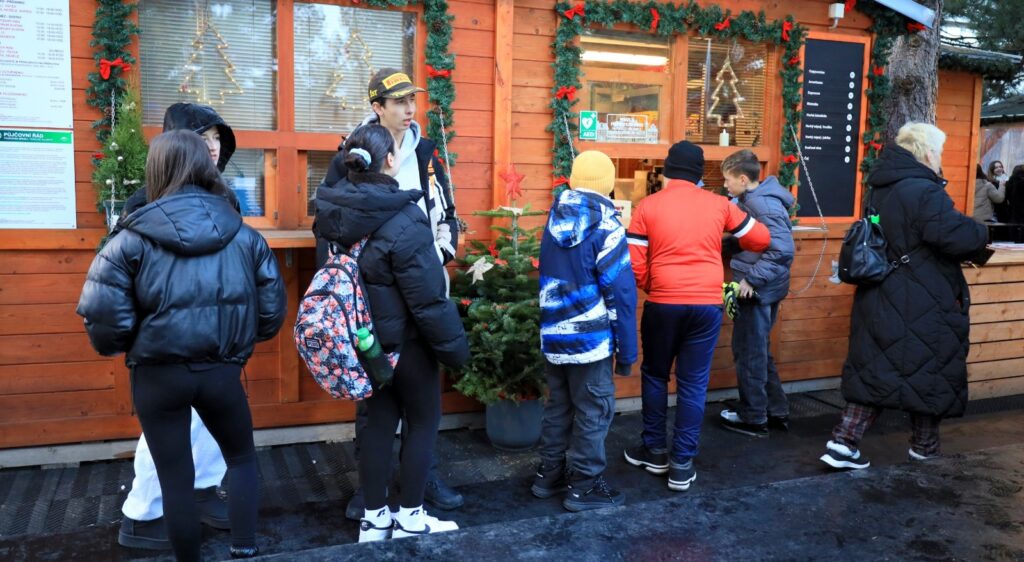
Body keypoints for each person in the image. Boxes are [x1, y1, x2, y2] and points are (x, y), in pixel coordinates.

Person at [77, 130, 287, 560]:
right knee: (242, 459)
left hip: (157, 375)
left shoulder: (128, 240)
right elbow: (271, 313)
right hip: (222, 371)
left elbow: (104, 322)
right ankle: (244, 550)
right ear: (206, 167)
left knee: (175, 477)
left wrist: (135, 344)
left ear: (157, 170)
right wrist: (234, 345)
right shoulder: (245, 235)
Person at [314, 68, 464, 518]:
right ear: (377, 107)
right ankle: (371, 492)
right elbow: (329, 224)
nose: (409, 109)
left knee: (421, 405)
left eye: (412, 100)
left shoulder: (428, 153)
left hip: (421, 287)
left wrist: (439, 254)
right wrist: (340, 283)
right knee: (375, 407)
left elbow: (446, 212)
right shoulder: (352, 153)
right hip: (371, 302)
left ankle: (423, 479)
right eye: (399, 102)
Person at [820, 122, 988, 470]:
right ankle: (923, 449)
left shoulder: (881, 189)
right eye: (939, 151)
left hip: (881, 292)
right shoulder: (924, 191)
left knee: (878, 369)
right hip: (921, 299)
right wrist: (982, 231)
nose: (940, 158)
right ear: (927, 153)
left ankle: (843, 443)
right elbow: (956, 235)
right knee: (929, 369)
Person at [114, 103, 241, 551]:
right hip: (163, 345)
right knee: (166, 434)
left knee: (207, 425)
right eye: (202, 137)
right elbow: (116, 276)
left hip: (216, 338)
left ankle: (203, 489)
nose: (213, 146)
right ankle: (142, 514)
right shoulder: (143, 202)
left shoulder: (225, 197)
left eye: (217, 137)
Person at [623, 141, 770, 491]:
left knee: (655, 375)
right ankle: (681, 464)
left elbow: (635, 262)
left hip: (663, 303)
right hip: (706, 304)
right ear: (699, 174)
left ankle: (655, 451)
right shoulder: (720, 204)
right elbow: (761, 239)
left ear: (668, 171)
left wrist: (653, 286)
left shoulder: (648, 205)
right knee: (693, 383)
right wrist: (729, 241)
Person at [532, 151, 638, 511]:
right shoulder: (607, 226)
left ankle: (548, 475)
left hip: (554, 335)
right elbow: (620, 292)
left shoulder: (553, 217)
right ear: (607, 185)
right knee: (594, 409)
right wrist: (627, 350)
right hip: (590, 341)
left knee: (558, 406)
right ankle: (584, 486)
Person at [718, 149, 795, 437]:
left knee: (749, 351)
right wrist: (728, 246)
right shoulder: (756, 200)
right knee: (758, 349)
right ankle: (775, 409)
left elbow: (782, 250)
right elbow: (757, 241)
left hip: (757, 290)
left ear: (742, 179)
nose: (725, 185)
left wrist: (751, 280)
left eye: (727, 180)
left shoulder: (760, 203)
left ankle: (753, 416)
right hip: (767, 287)